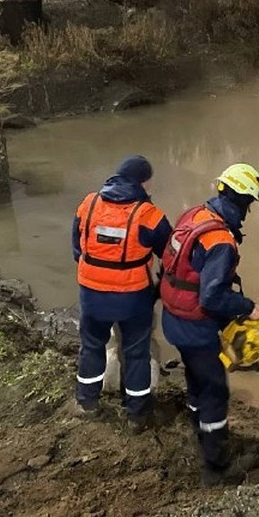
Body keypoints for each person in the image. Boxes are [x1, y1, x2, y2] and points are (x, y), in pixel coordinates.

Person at [159, 162, 259, 486]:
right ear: (242, 201)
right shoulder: (221, 241)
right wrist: (248, 308)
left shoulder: (194, 216)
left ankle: (198, 425)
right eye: (250, 202)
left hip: (173, 317)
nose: (250, 209)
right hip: (196, 325)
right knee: (215, 391)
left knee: (196, 377)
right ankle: (216, 467)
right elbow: (211, 297)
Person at [72, 155, 172, 430]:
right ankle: (137, 414)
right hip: (133, 297)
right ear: (144, 182)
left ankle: (86, 403)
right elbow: (171, 255)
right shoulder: (150, 215)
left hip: (92, 293)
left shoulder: (88, 204)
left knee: (92, 345)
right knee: (137, 351)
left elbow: (77, 248)